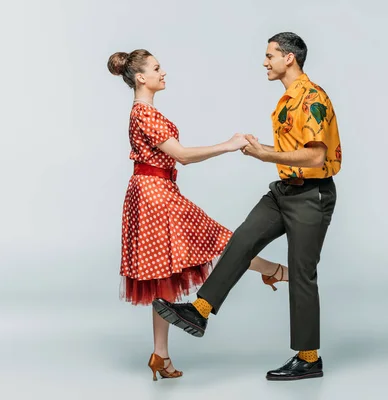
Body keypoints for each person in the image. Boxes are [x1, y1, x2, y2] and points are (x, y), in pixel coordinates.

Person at [152, 32, 342, 381]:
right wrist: (263, 148)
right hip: (284, 190)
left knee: (302, 273)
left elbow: (316, 156)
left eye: (270, 55)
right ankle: (200, 310)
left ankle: (308, 357)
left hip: (312, 196)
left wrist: (264, 153)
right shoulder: (287, 99)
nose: (265, 61)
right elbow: (296, 151)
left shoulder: (313, 97)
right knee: (241, 240)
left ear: (289, 58)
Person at [107, 49, 289, 381]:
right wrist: (229, 144)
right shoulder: (144, 114)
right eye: (157, 69)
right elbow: (183, 157)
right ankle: (275, 271)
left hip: (150, 192)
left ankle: (160, 355)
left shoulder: (142, 112)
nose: (164, 73)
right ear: (141, 78)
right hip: (155, 195)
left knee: (164, 270)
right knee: (222, 242)